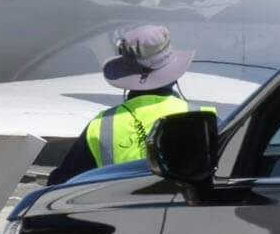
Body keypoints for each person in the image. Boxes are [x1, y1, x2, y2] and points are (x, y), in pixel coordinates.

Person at [48, 25, 205, 185]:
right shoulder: (204, 119)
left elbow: (59, 184)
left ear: (125, 74)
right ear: (173, 73)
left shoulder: (101, 126)